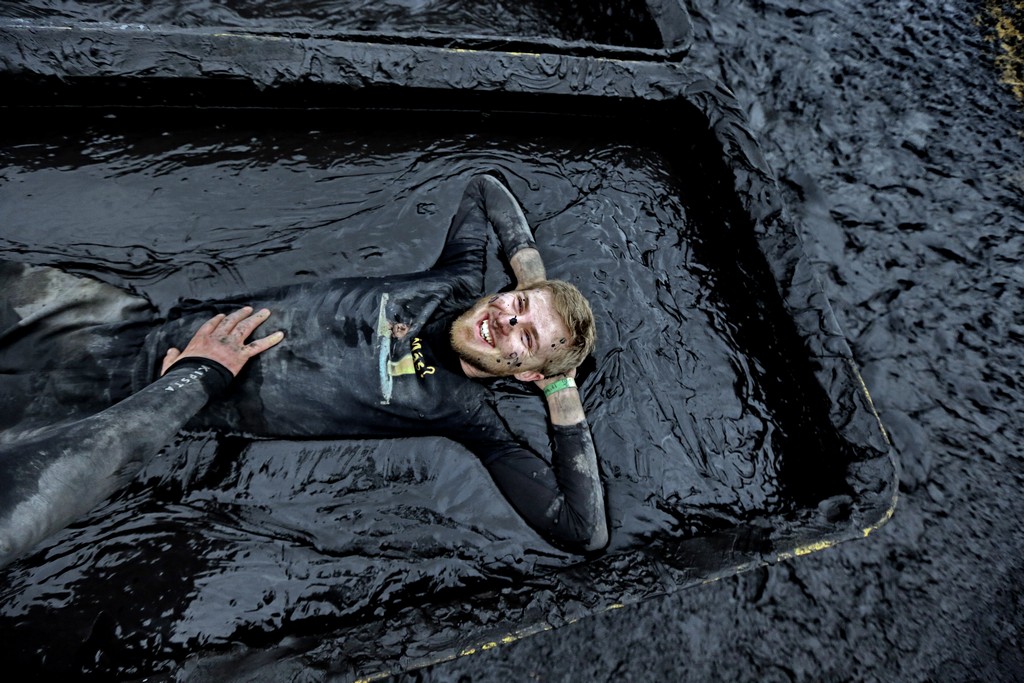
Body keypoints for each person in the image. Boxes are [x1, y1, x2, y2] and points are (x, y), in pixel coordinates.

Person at [0, 173, 608, 569]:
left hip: (134, 412)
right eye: (515, 307)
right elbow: (485, 189)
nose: (506, 321)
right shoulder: (453, 281)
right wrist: (532, 282)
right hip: (117, 325)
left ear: (526, 374)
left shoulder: (469, 417)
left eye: (526, 339)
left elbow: (582, 530)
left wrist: (560, 387)